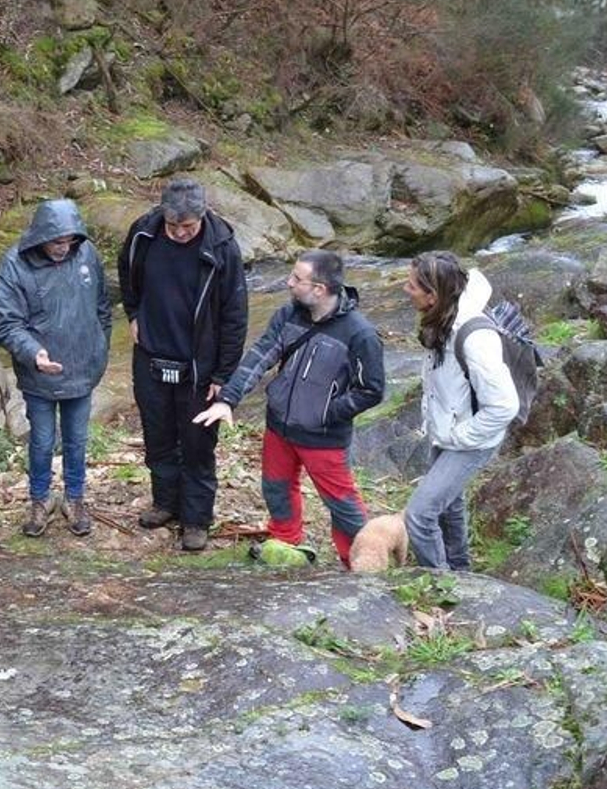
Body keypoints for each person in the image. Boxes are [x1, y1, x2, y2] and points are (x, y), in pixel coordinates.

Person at [194, 250, 384, 566]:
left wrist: (327, 413)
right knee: (276, 488)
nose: (289, 282)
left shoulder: (360, 334)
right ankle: (285, 543)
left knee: (341, 502)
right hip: (279, 427)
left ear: (319, 289)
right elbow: (260, 356)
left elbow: (372, 390)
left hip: (324, 437)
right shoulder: (288, 314)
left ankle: (358, 562)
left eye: (297, 278)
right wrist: (227, 400)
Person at [118, 178, 248, 551]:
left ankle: (196, 518)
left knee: (196, 445)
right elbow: (127, 273)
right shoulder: (144, 232)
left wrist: (223, 375)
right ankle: (165, 502)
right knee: (157, 437)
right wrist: (133, 313)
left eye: (187, 227)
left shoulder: (222, 248)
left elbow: (235, 315)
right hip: (151, 357)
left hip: (199, 366)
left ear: (202, 218)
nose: (178, 233)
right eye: (173, 226)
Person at [0, 199, 112, 537]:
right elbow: (5, 323)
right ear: (41, 236)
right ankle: (40, 499)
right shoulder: (14, 264)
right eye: (57, 241)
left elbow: (103, 306)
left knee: (77, 439)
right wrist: (34, 353)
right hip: (38, 373)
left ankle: (74, 498)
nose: (64, 248)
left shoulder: (87, 255)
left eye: (69, 241)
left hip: (82, 368)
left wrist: (100, 348)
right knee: (42, 441)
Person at [401, 250, 519, 569]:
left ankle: (441, 583)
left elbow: (505, 405)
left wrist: (460, 435)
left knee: (419, 515)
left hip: (472, 437)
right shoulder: (444, 317)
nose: (405, 289)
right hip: (448, 429)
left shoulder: (475, 338)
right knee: (449, 504)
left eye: (412, 285)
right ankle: (460, 569)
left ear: (433, 295)